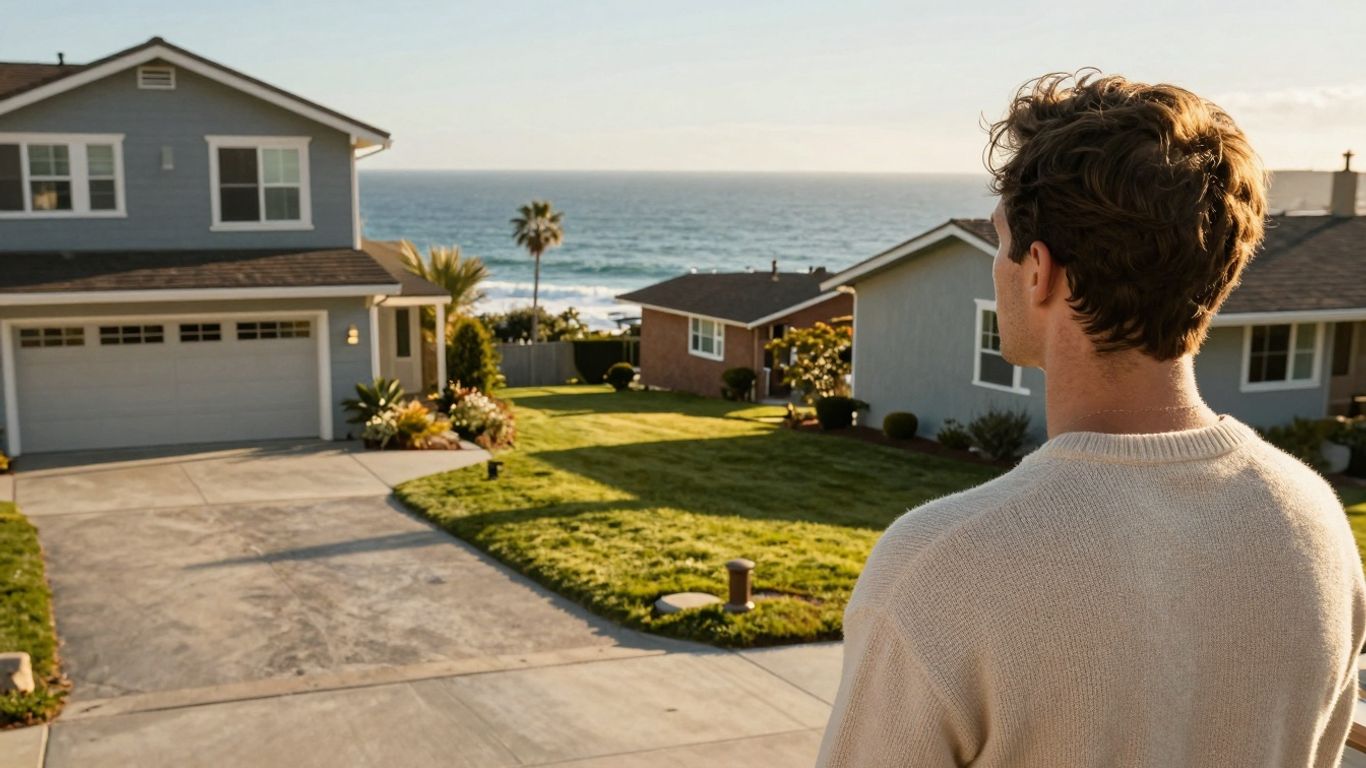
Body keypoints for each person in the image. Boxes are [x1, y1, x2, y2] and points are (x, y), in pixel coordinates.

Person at [816, 71, 1366, 767]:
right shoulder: (1313, 525)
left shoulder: (942, 568)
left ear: (1039, 270)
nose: (998, 268)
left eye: (1000, 243)